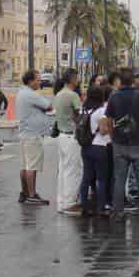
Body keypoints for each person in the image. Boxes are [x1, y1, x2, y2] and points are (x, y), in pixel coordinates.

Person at [106, 69, 139, 214]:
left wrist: (113, 138)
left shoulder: (114, 97)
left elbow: (109, 122)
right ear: (133, 81)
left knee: (119, 178)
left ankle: (118, 210)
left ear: (120, 82)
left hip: (120, 143)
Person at [15, 70, 53, 205]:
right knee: (32, 166)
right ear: (30, 81)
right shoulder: (30, 94)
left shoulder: (22, 92)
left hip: (25, 133)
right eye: (37, 80)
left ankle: (24, 193)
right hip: (32, 134)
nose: (40, 82)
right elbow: (49, 106)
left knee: (25, 166)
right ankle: (31, 195)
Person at [76, 85, 113, 215]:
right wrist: (111, 127)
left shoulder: (83, 109)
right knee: (101, 179)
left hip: (86, 147)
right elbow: (103, 130)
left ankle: (84, 206)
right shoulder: (102, 110)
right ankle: (100, 207)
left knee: (86, 177)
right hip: (99, 146)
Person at [54, 70, 84, 214]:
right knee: (73, 171)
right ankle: (70, 203)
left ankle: (61, 202)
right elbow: (79, 116)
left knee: (63, 170)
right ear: (72, 79)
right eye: (77, 77)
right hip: (72, 137)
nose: (78, 80)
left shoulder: (58, 94)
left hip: (61, 136)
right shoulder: (73, 95)